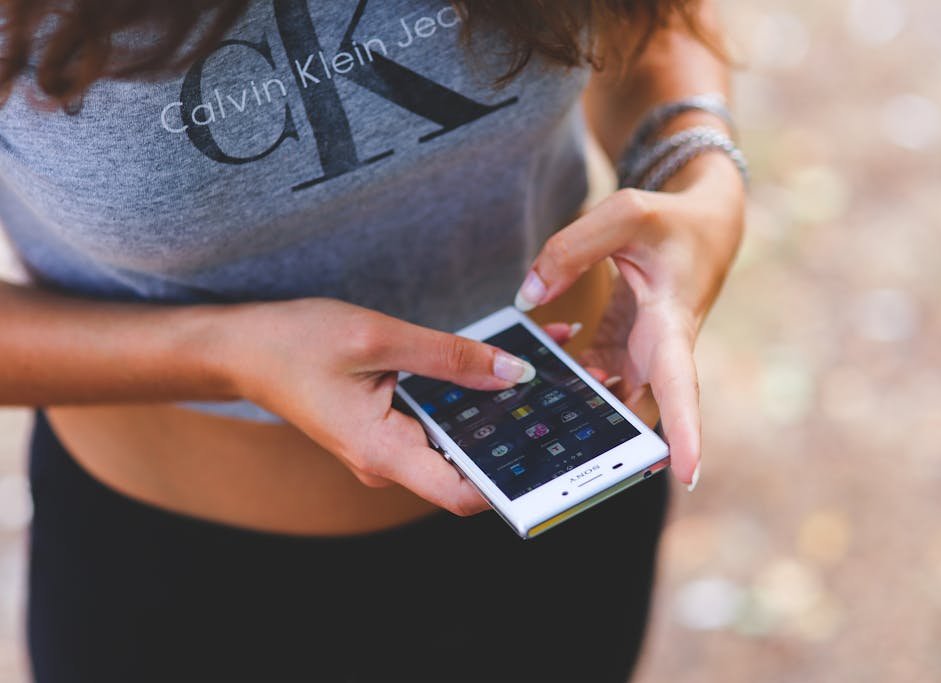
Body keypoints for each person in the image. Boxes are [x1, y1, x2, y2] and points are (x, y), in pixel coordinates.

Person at [0, 1, 745, 681]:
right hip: (178, 586)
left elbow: (643, 27)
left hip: (569, 499)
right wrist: (222, 353)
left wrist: (699, 180)